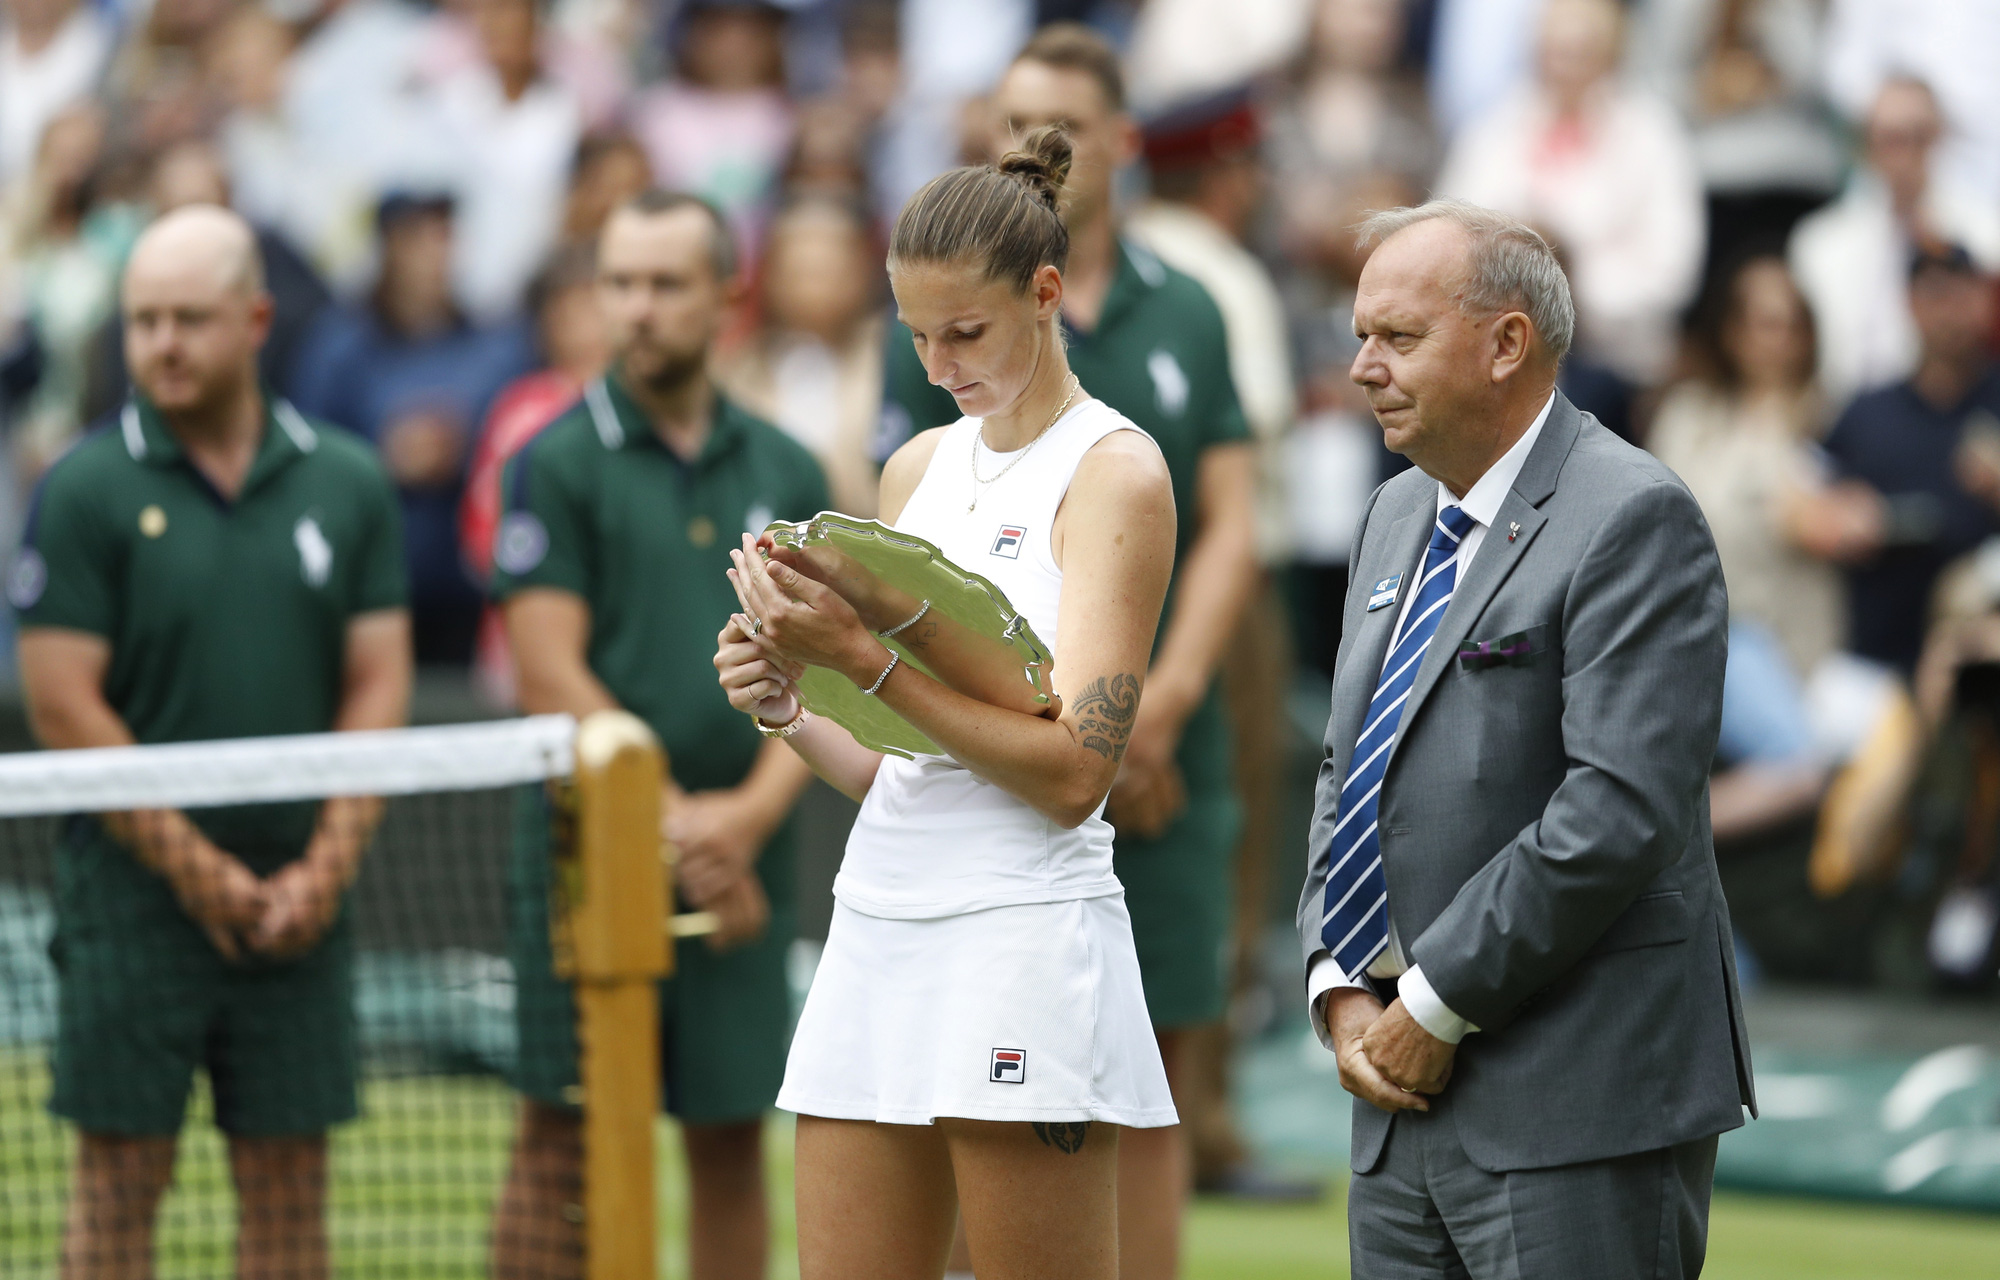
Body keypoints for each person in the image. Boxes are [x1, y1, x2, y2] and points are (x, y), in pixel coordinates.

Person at [715, 122, 1177, 1280]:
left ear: (1046, 294)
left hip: (1023, 928)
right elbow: (896, 762)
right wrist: (786, 697)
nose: (937, 364)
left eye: (963, 331)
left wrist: (865, 661)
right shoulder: (914, 468)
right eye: (915, 335)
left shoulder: (1116, 472)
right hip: (879, 915)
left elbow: (1074, 774)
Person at [1297, 200, 1753, 1277]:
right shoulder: (1392, 513)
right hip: (1397, 1094)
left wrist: (1432, 999)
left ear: (1507, 344)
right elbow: (1344, 768)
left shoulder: (1634, 515)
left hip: (1578, 1100)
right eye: (1358, 334)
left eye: (1396, 337)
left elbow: (1616, 810)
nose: (1361, 367)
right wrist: (1336, 980)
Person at [883, 26, 1259, 1276]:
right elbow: (920, 562)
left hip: (1154, 734)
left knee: (1141, 1062)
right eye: (1012, 118)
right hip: (982, 785)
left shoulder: (1191, 307)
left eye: (1065, 121)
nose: (1038, 144)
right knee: (947, 1097)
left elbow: (1229, 528)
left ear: (1120, 141)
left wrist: (1158, 701)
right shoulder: (944, 315)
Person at [10, 204, 411, 1280]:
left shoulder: (347, 479)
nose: (162, 344)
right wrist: (205, 872)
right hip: (132, 904)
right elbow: (63, 707)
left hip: (301, 899)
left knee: (289, 1204)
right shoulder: (82, 488)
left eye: (188, 317)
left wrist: (319, 870)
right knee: (114, 1192)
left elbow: (378, 681)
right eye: (142, 321)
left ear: (256, 318)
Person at [487, 190, 828, 1280]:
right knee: (557, 1134)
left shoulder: (790, 465)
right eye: (620, 283)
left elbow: (824, 672)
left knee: (730, 1134)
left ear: (727, 298)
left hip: (745, 849)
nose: (637, 308)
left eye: (665, 283)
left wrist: (746, 817)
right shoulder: (551, 461)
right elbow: (548, 669)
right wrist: (680, 827)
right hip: (586, 850)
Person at [287, 190, 535, 664]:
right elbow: (305, 452)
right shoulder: (337, 347)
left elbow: (523, 446)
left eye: (443, 236)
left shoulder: (497, 346)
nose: (433, 254)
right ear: (387, 248)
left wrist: (463, 451)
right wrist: (382, 457)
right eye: (415, 238)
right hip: (366, 584)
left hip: (468, 588)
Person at [1436, 0, 1705, 385]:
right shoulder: (1495, 127)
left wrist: (1563, 290)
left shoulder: (1653, 135)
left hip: (1612, 356)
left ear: (1611, 56)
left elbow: (1672, 270)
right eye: (1553, 51)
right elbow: (1452, 229)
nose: (1563, 66)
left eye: (1580, 53)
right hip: (1495, 344)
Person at [1822, 244, 2000, 676]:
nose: (1950, 312)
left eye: (1963, 295)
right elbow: (1805, 500)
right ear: (1910, 304)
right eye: (1936, 295)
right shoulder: (1866, 412)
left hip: (1983, 655)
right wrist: (1839, 515)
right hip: (1873, 660)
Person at [1788, 77, 2000, 409]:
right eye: (1889, 139)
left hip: (1951, 419)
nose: (1903, 155)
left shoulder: (1987, 237)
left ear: (1939, 138)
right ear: (1864, 145)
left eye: (1918, 137)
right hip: (1843, 419)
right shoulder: (1819, 244)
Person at [716, 194, 886, 517]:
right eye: (801, 270)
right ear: (772, 276)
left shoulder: (890, 361)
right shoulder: (737, 370)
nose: (815, 286)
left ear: (863, 271)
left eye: (829, 269)